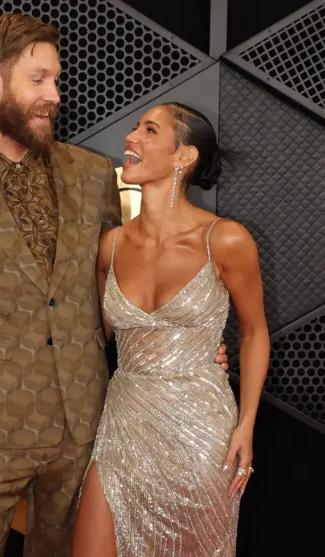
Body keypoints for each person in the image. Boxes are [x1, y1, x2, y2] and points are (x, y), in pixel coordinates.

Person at [0, 14, 229, 557]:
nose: (53, 95)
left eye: (56, 79)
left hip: (84, 426)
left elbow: (123, 282)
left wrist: (187, 344)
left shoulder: (94, 173)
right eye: (38, 79)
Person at [72, 103, 269, 557]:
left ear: (184, 156)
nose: (132, 137)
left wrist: (246, 426)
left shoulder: (225, 239)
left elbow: (256, 333)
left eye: (149, 130)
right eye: (136, 127)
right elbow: (92, 336)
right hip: (124, 424)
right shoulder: (111, 244)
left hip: (201, 433)